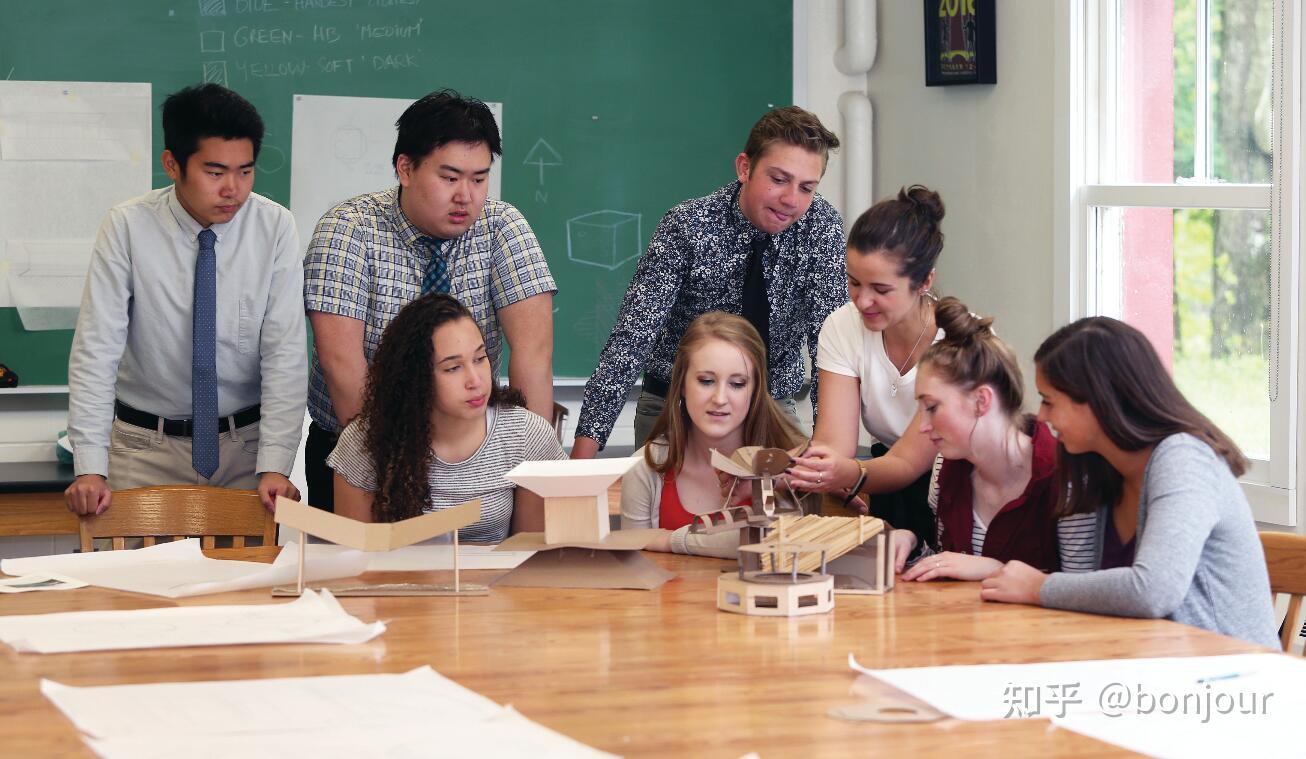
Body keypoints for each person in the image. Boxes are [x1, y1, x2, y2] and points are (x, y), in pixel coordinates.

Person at [305, 89, 556, 512]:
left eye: (479, 179)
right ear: (405, 168)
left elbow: (533, 355)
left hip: (474, 453)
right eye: (450, 177)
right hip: (360, 449)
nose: (466, 196)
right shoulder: (349, 229)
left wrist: (533, 462)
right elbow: (342, 363)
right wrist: (387, 462)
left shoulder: (503, 227)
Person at [65, 83, 305, 515]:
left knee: (243, 581)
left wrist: (277, 463)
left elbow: (285, 352)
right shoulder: (127, 227)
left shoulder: (274, 227)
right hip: (143, 451)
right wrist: (90, 467)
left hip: (243, 453)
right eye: (215, 173)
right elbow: (96, 349)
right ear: (172, 164)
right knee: (137, 581)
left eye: (245, 171)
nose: (233, 188)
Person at [979, 317, 1279, 648]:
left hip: (1232, 684)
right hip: (1145, 672)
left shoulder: (1184, 459)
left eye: (1049, 401)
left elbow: (1154, 591)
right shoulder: (1097, 470)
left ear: (1099, 399)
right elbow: (1083, 594)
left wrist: (1039, 587)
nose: (1043, 417)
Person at [572, 106, 845, 457]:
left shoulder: (821, 227)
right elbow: (631, 341)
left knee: (784, 510)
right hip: (678, 406)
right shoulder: (687, 225)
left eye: (807, 187)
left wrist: (827, 450)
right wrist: (581, 459)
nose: (791, 200)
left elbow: (830, 342)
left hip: (772, 405)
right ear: (744, 168)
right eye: (778, 179)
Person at [785, 186, 947, 552]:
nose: (862, 300)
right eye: (854, 282)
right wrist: (800, 468)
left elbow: (909, 461)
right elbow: (835, 442)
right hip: (882, 481)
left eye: (881, 289)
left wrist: (848, 474)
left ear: (924, 282)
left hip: (951, 491)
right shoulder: (843, 326)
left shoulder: (957, 342)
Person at [329, 294, 565, 537]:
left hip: (499, 575)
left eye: (480, 358)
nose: (476, 381)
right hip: (402, 575)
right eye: (453, 368)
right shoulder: (363, 442)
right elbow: (355, 558)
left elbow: (531, 554)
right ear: (415, 378)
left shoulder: (527, 434)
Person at [894, 297, 1089, 581]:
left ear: (981, 401)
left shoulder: (1067, 478)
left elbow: (1085, 593)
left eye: (932, 407)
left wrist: (997, 570)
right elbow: (950, 569)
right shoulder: (943, 470)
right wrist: (911, 545)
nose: (922, 426)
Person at [621, 312, 805, 558]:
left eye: (737, 384)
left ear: (755, 391)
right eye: (706, 381)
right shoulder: (646, 466)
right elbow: (632, 563)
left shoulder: (786, 465)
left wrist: (671, 540)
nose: (719, 399)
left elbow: (775, 544)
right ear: (682, 385)